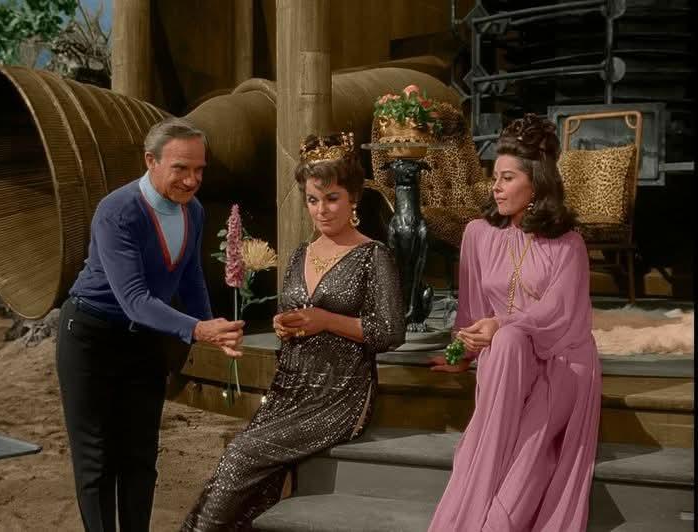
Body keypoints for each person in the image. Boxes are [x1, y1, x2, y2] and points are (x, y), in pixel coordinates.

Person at [181, 132, 406, 531]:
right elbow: (294, 312)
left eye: (332, 198)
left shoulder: (374, 255)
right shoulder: (302, 253)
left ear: (353, 198)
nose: (321, 210)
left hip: (340, 394)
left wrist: (326, 320)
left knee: (241, 456)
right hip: (289, 387)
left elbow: (390, 331)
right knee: (240, 464)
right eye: (312, 200)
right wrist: (284, 326)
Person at [56, 117, 245, 532]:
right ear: (150, 161)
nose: (192, 180)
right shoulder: (117, 211)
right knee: (96, 459)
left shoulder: (194, 211)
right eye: (181, 168)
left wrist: (212, 325)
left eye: (199, 169)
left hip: (143, 342)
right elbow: (135, 300)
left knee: (140, 457)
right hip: (90, 337)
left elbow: (191, 276)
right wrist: (197, 330)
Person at [428, 113, 602, 531]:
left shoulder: (568, 244)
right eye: (495, 177)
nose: (496, 187)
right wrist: (462, 351)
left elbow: (559, 314)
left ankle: (492, 524)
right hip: (508, 363)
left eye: (507, 178)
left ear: (536, 183)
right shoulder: (477, 234)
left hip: (561, 362)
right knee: (505, 345)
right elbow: (471, 311)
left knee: (527, 443)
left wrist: (500, 324)